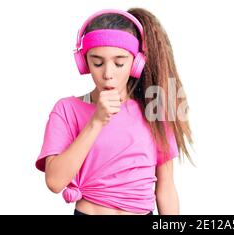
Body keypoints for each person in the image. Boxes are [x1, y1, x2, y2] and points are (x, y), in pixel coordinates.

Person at [35, 8, 193, 215]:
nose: (108, 74)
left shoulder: (154, 110)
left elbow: (166, 188)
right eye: (97, 62)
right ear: (84, 63)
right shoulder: (67, 109)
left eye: (119, 63)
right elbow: (55, 182)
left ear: (137, 63)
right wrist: (96, 121)